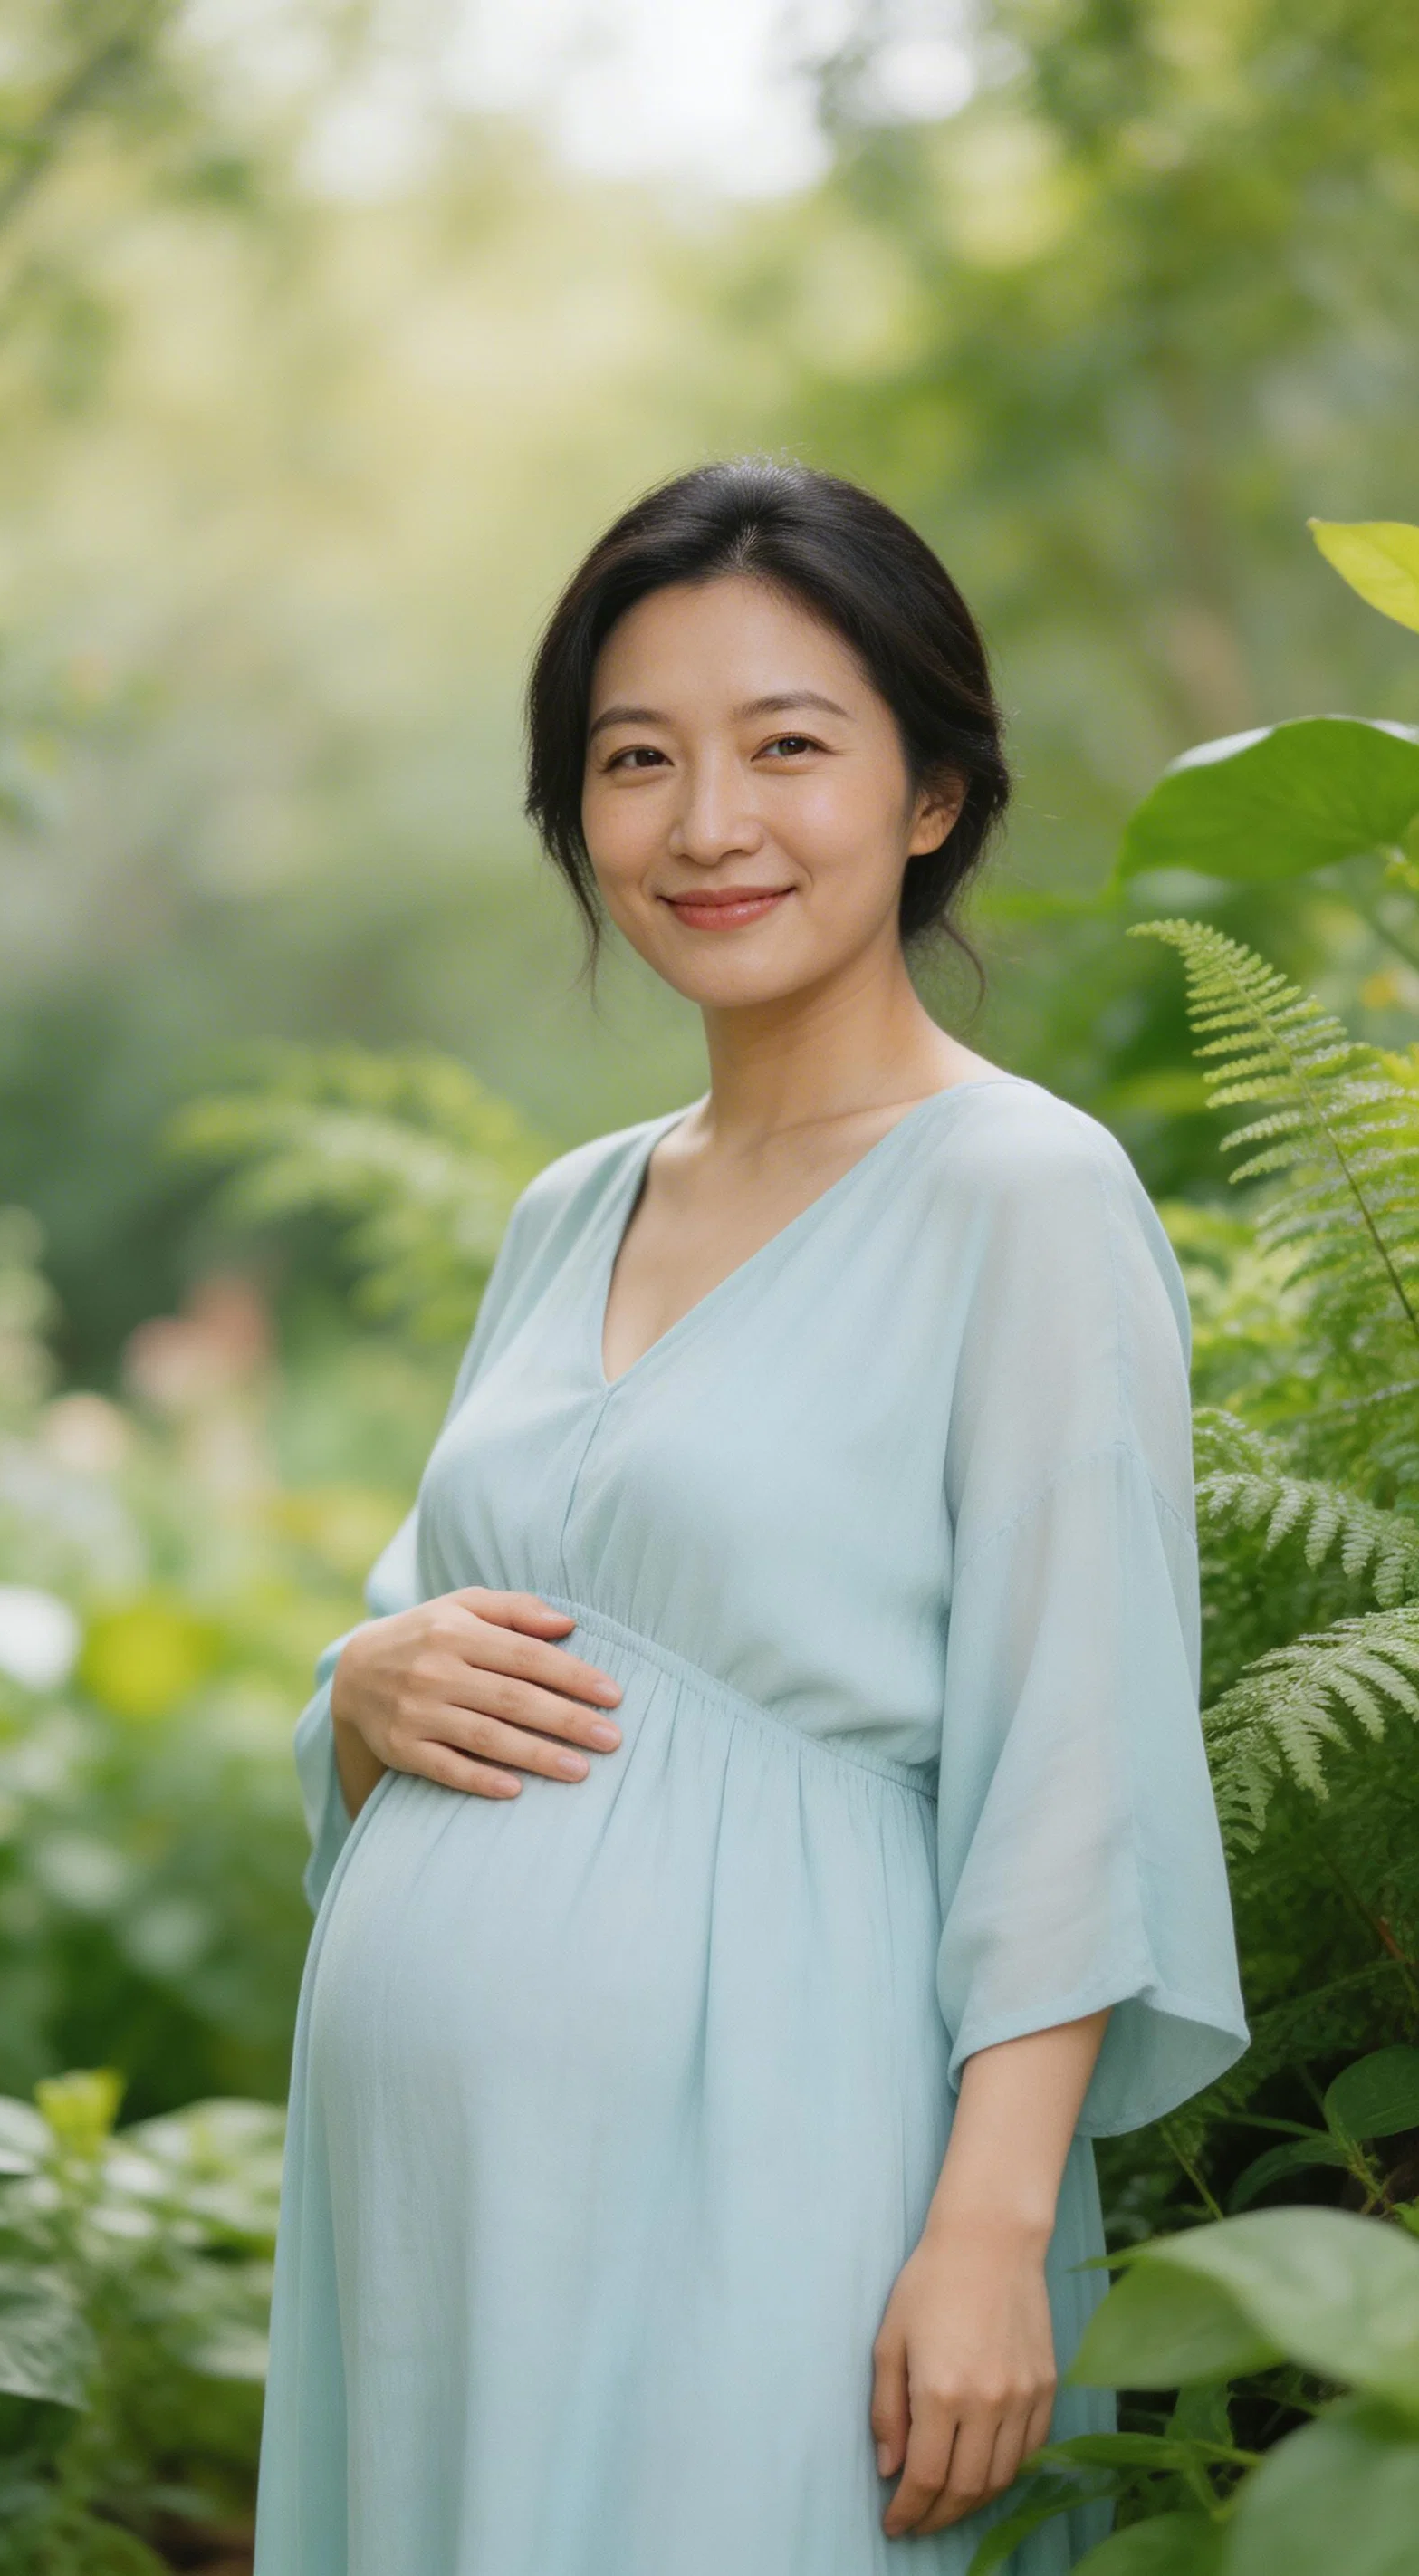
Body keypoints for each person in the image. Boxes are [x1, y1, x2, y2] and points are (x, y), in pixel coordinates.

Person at [253, 458, 1248, 2576]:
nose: (706, 824)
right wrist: (361, 1685)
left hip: (793, 2179)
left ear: (927, 795)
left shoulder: (1023, 1198)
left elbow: (1071, 1752)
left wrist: (982, 2237)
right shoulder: (568, 1208)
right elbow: (425, 1643)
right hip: (436, 2237)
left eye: (786, 747)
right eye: (635, 761)